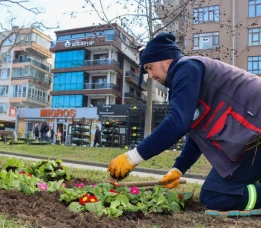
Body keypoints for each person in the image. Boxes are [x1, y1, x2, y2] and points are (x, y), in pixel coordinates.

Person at [108, 32, 261, 213]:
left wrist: (132, 157)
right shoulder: (186, 77)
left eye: (150, 67)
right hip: (251, 140)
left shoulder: (187, 68)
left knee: (216, 196)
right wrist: (178, 169)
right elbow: (196, 132)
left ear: (166, 59)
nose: (149, 75)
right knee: (215, 194)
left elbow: (177, 123)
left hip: (255, 137)